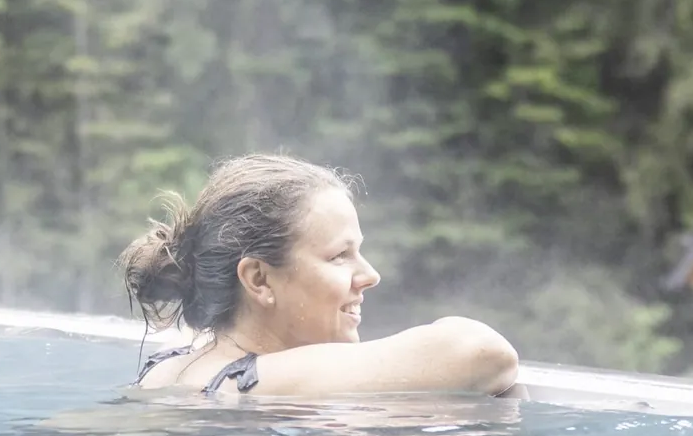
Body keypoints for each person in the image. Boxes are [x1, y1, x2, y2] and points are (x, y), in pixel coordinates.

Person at [119, 154, 520, 397]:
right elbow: (484, 353)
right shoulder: (262, 382)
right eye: (340, 256)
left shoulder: (174, 365)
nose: (370, 275)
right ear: (259, 280)